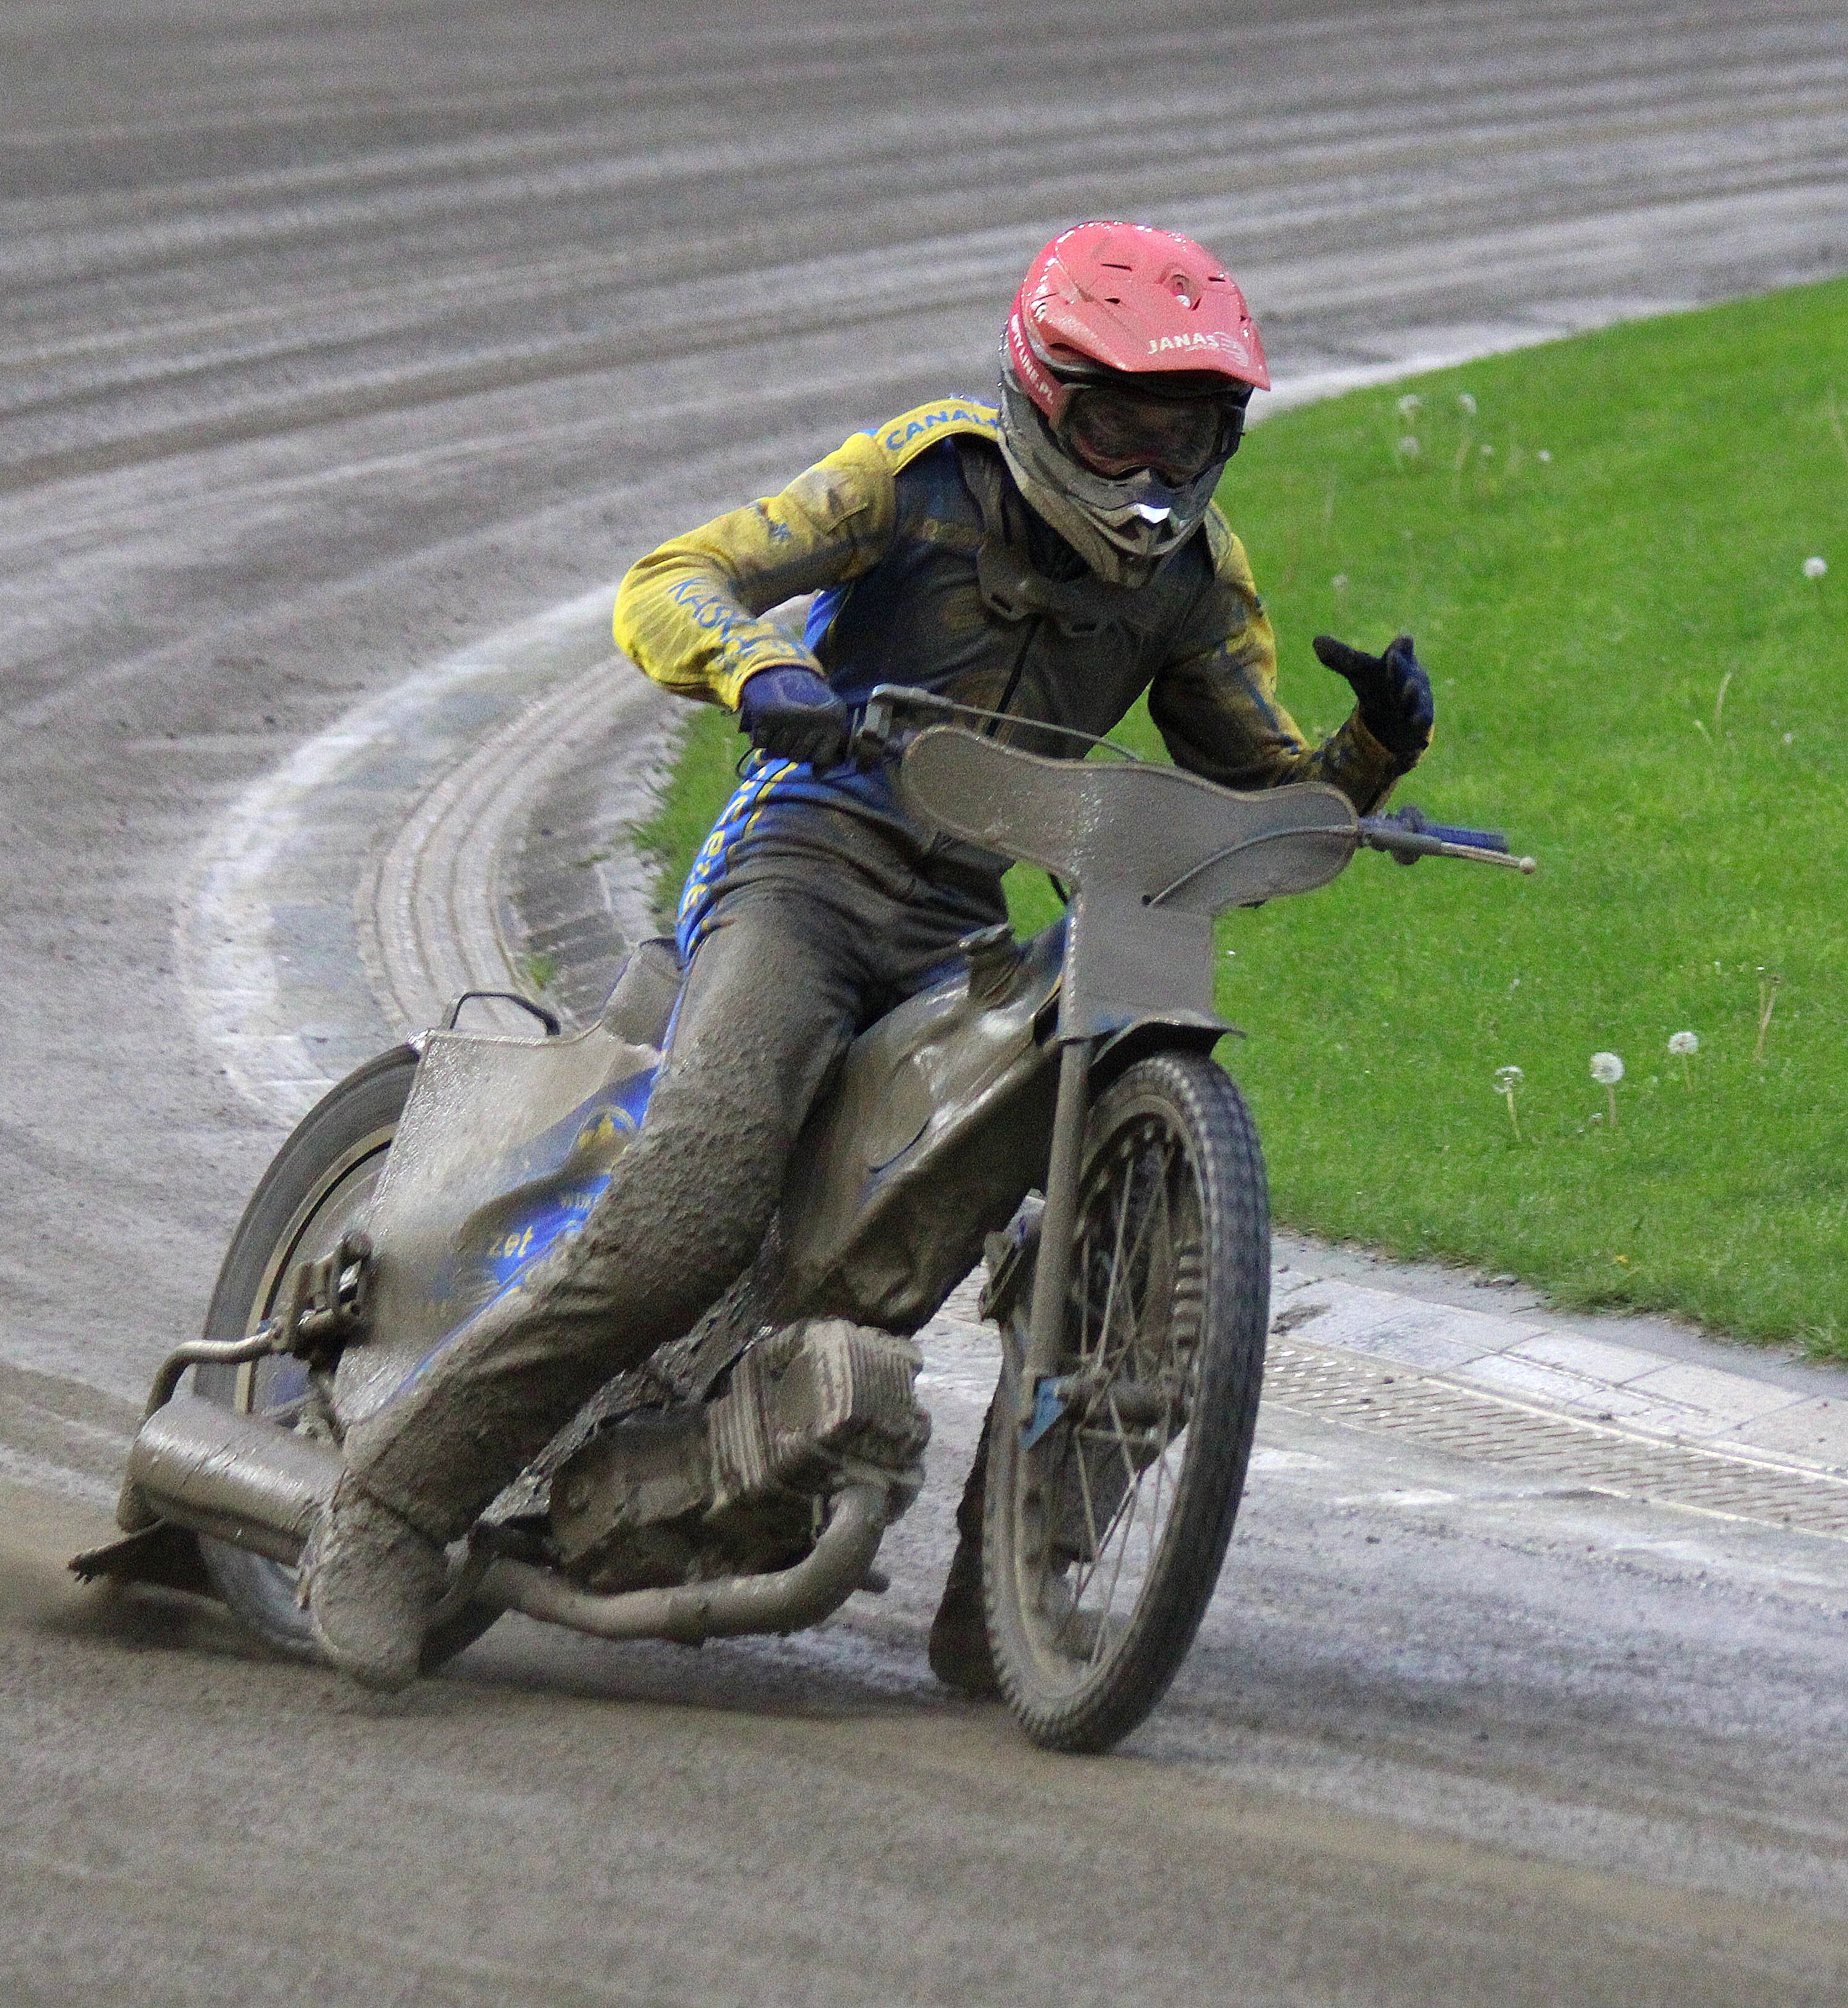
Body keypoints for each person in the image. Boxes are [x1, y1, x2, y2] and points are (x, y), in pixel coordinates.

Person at [302, 221, 1434, 1690]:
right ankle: (388, 1505)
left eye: (1189, 436)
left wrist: (1375, 750)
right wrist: (759, 664)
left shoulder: (1197, 580)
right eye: (1118, 428)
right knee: (690, 1209)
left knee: (1132, 1242)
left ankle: (1010, 1587)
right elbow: (675, 576)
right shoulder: (920, 474)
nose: (1153, 474)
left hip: (966, 921)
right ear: (1041, 396)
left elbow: (1255, 808)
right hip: (804, 873)